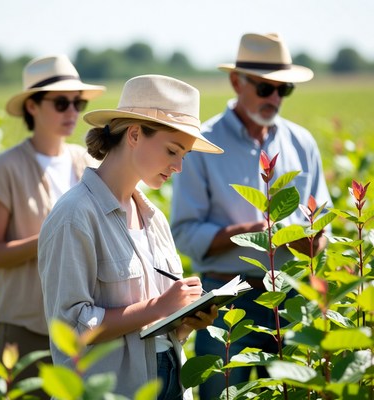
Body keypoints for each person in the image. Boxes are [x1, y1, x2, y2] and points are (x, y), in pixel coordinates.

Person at [38, 74, 223, 399]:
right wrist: (159, 306)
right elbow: (69, 329)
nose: (179, 166)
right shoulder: (74, 215)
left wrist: (188, 318)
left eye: (185, 155)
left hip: (170, 383)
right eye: (172, 150)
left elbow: (160, 326)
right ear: (135, 134)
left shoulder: (154, 218)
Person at [170, 33, 332, 399]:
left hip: (292, 301)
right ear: (235, 82)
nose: (274, 98)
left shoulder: (301, 142)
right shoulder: (203, 143)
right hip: (226, 302)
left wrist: (314, 240)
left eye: (283, 89)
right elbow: (184, 232)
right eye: (264, 88)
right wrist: (253, 234)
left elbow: (322, 221)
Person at [0, 54, 105, 395]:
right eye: (61, 102)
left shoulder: (89, 162)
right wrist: (53, 237)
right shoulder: (4, 168)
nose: (72, 112)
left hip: (84, 331)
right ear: (31, 107)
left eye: (77, 103)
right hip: (24, 332)